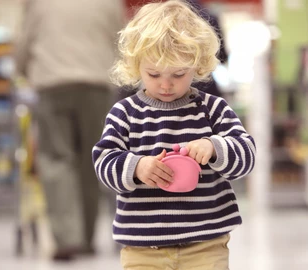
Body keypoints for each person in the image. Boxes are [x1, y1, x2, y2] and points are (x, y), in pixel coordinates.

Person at [92, 1, 256, 269]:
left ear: (197, 64)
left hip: (206, 244)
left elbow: (246, 154)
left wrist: (214, 146)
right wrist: (136, 166)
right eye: (153, 74)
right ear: (136, 65)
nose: (166, 84)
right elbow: (103, 162)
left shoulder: (212, 109)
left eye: (179, 74)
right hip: (143, 248)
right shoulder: (125, 113)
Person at [15, 0, 125, 261]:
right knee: (95, 158)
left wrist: (21, 70)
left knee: (56, 158)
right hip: (98, 83)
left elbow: (24, 41)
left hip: (52, 83)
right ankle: (86, 238)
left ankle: (67, 237)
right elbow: (122, 40)